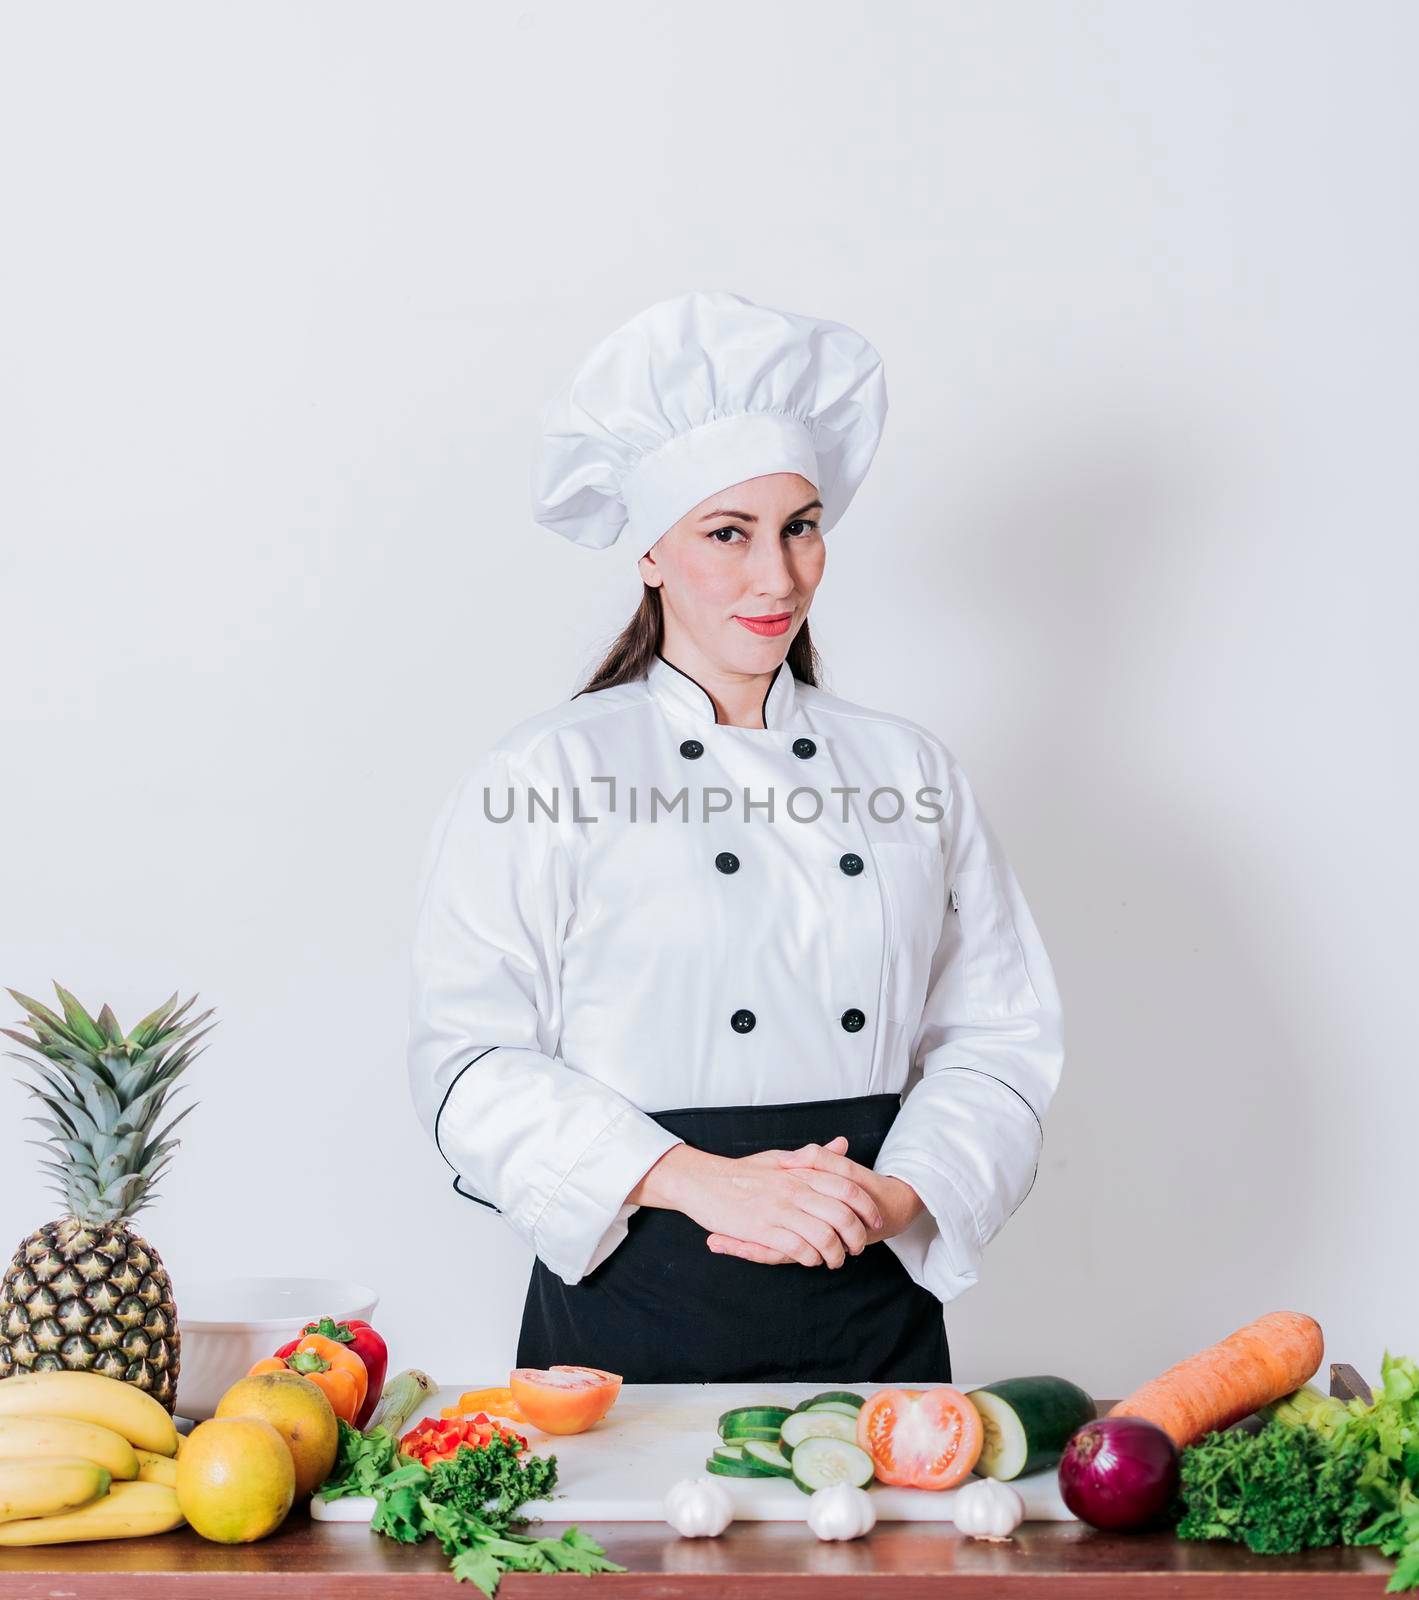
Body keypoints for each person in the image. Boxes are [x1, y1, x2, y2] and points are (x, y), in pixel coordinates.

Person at [407, 290, 1064, 1384]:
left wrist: (894, 1195)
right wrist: (699, 1179)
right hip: (636, 1293)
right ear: (653, 554)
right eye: (729, 533)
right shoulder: (546, 776)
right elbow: (468, 1062)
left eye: (800, 527)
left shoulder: (910, 772)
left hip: (868, 1289)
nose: (779, 575)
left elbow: (999, 1035)